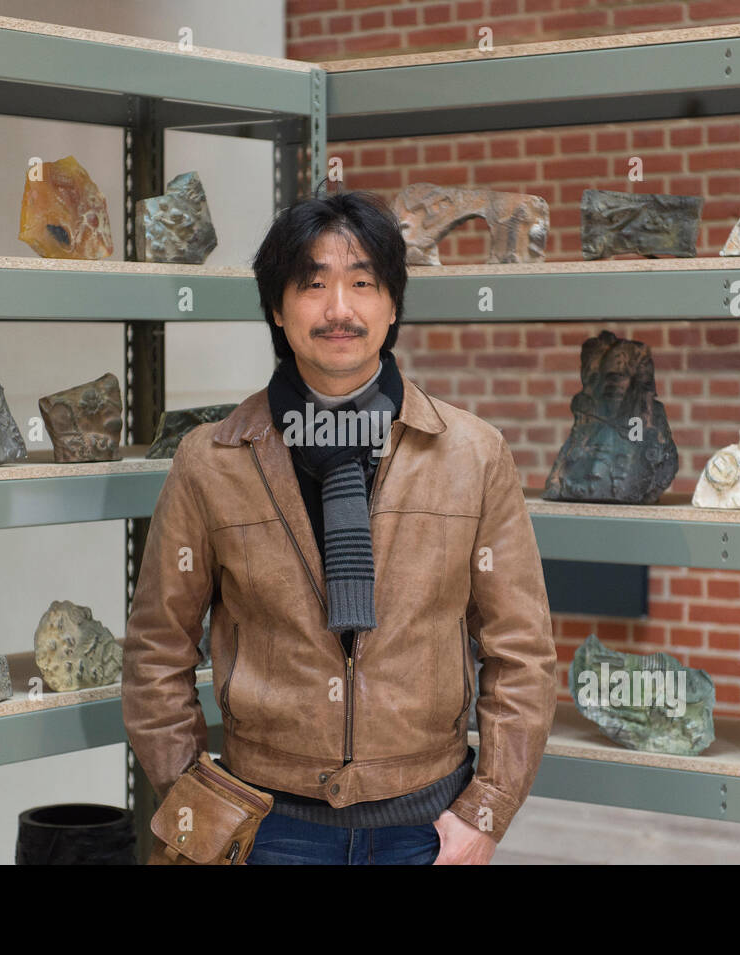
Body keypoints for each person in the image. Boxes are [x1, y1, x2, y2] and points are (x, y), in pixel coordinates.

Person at [122, 188, 557, 865]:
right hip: (266, 829)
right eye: (313, 284)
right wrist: (194, 803)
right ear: (277, 307)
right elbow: (156, 650)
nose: (339, 310)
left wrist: (486, 810)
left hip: (425, 828)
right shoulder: (211, 460)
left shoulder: (473, 454)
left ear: (392, 306)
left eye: (362, 283)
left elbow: (522, 652)